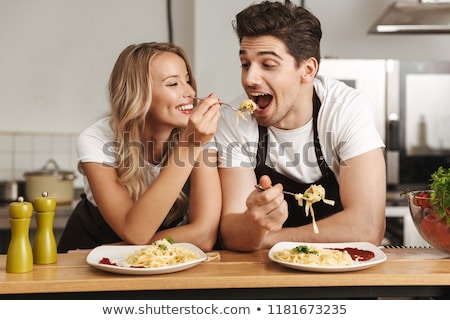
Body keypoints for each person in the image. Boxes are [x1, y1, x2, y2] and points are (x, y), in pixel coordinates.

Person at [215, 0, 386, 252]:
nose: (249, 79)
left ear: (307, 69)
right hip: (268, 278)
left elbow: (367, 228)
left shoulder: (346, 108)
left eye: (268, 65)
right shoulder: (234, 119)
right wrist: (254, 225)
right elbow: (231, 232)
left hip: (341, 273)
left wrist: (266, 238)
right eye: (245, 64)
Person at [57, 42, 222, 253]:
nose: (190, 92)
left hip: (135, 256)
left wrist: (115, 250)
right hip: (87, 259)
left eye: (188, 81)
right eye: (173, 84)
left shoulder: (200, 135)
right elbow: (135, 232)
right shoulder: (97, 139)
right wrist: (189, 146)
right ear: (138, 93)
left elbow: (204, 235)